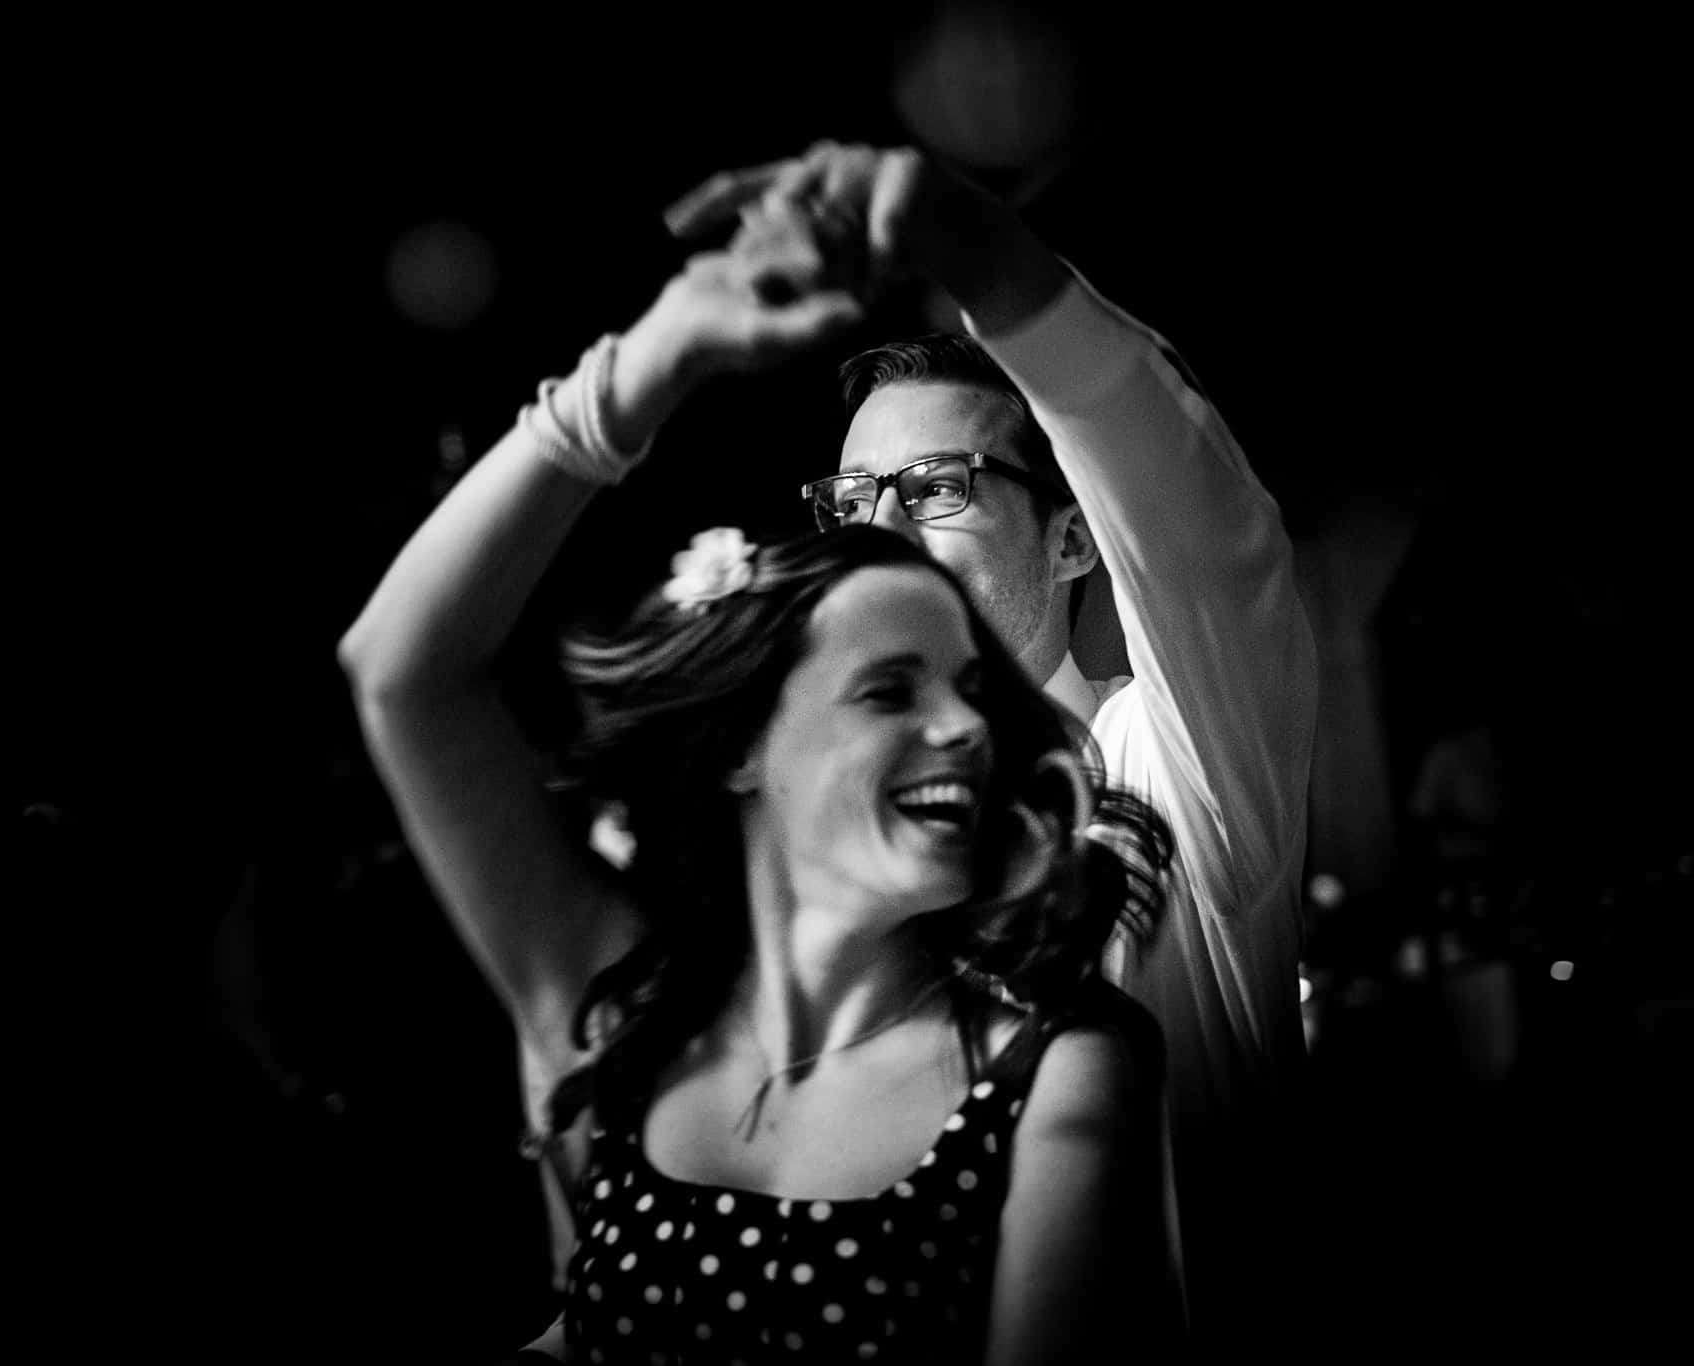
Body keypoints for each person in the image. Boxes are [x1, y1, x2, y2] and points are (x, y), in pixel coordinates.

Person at [338, 207, 1181, 1359]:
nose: (962, 727)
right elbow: (403, 676)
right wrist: (644, 366)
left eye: (970, 690)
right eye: (887, 691)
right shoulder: (627, 1007)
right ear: (745, 743)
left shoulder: (1049, 1065)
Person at [667, 142, 1321, 1347]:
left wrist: (983, 259)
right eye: (853, 502)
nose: (880, 534)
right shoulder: (831, 843)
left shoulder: (1158, 770)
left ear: (1072, 540)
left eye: (931, 487)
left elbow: (1207, 544)